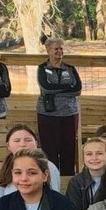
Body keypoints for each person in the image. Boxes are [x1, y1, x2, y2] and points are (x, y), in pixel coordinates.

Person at [36, 38, 82, 175]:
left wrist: (57, 88)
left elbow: (77, 90)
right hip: (48, 114)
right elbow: (46, 88)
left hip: (69, 114)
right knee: (50, 150)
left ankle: (67, 180)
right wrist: (67, 87)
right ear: (48, 51)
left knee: (68, 150)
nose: (59, 52)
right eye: (56, 49)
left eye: (61, 48)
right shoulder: (42, 68)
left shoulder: (70, 69)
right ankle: (51, 178)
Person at [0, 124, 63, 202]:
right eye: (17, 140)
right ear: (8, 146)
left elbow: (54, 198)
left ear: (36, 144)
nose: (23, 144)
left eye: (28, 140)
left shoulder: (48, 166)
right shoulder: (3, 169)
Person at [66, 138, 106, 210]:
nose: (94, 158)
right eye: (89, 154)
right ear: (83, 158)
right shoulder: (75, 182)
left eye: (99, 153)